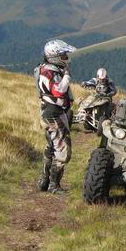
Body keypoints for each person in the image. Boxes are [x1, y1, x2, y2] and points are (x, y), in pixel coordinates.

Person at [34, 39, 77, 195]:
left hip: (49, 111)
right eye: (63, 55)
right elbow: (58, 91)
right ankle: (54, 185)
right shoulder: (49, 72)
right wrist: (67, 76)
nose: (66, 57)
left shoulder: (45, 69)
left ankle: (44, 181)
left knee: (51, 147)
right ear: (55, 56)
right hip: (54, 113)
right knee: (63, 150)